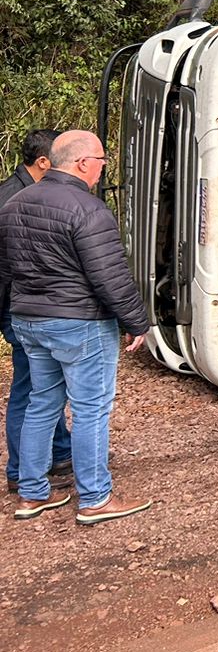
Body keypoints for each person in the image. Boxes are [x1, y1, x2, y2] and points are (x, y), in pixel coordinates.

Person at [0, 131, 151, 523]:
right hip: (79, 323)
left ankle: (32, 494)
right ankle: (96, 498)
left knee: (41, 404)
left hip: (28, 321)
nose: (103, 169)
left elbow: (5, 270)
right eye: (101, 161)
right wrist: (136, 321)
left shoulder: (15, 203)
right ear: (83, 163)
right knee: (90, 410)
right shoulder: (88, 209)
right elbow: (110, 277)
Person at [1, 129, 73, 495]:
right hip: (21, 309)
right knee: (31, 389)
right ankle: (18, 470)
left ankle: (60, 453)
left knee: (45, 385)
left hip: (24, 305)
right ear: (44, 162)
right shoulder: (15, 198)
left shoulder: (18, 192)